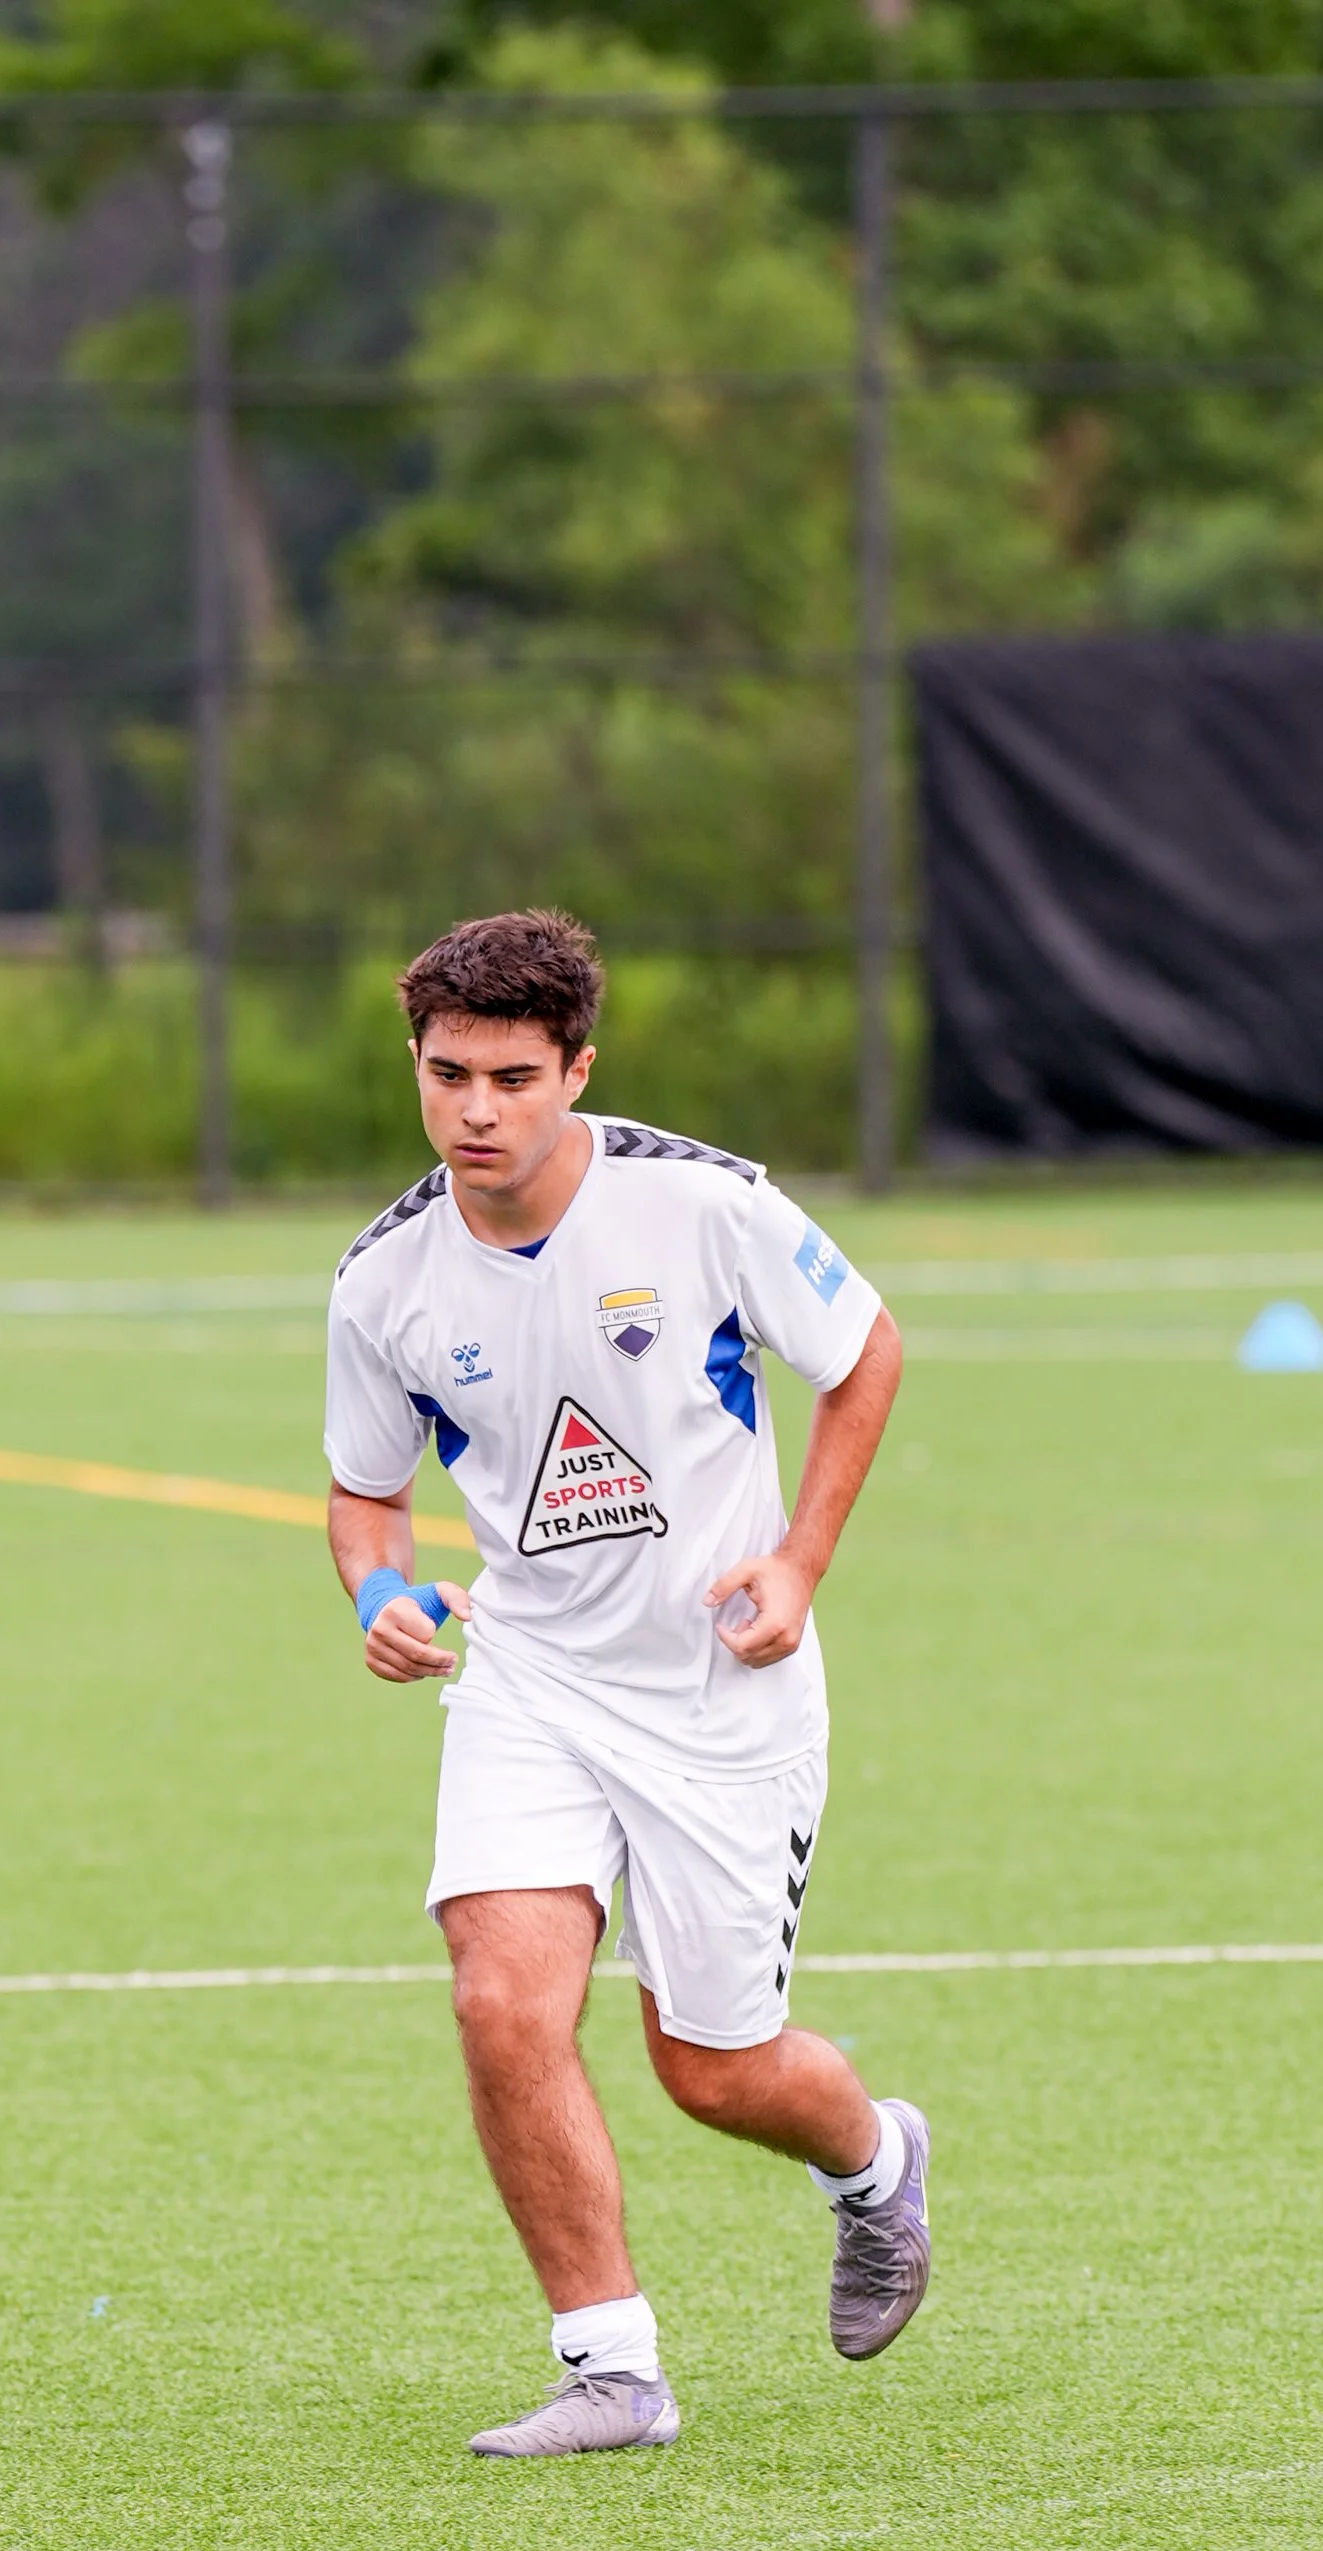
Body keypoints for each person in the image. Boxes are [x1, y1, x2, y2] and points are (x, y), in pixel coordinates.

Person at [323, 907, 929, 2457]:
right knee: (499, 1997)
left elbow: (865, 1354)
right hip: (531, 1681)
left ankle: (874, 2165)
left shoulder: (704, 1206)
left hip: (721, 1698)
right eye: (447, 1072)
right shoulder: (384, 1280)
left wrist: (797, 1563)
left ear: (577, 1068)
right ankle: (612, 2367)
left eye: (513, 1077)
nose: (475, 1109)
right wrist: (385, 1598)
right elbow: (366, 1499)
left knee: (712, 2071)